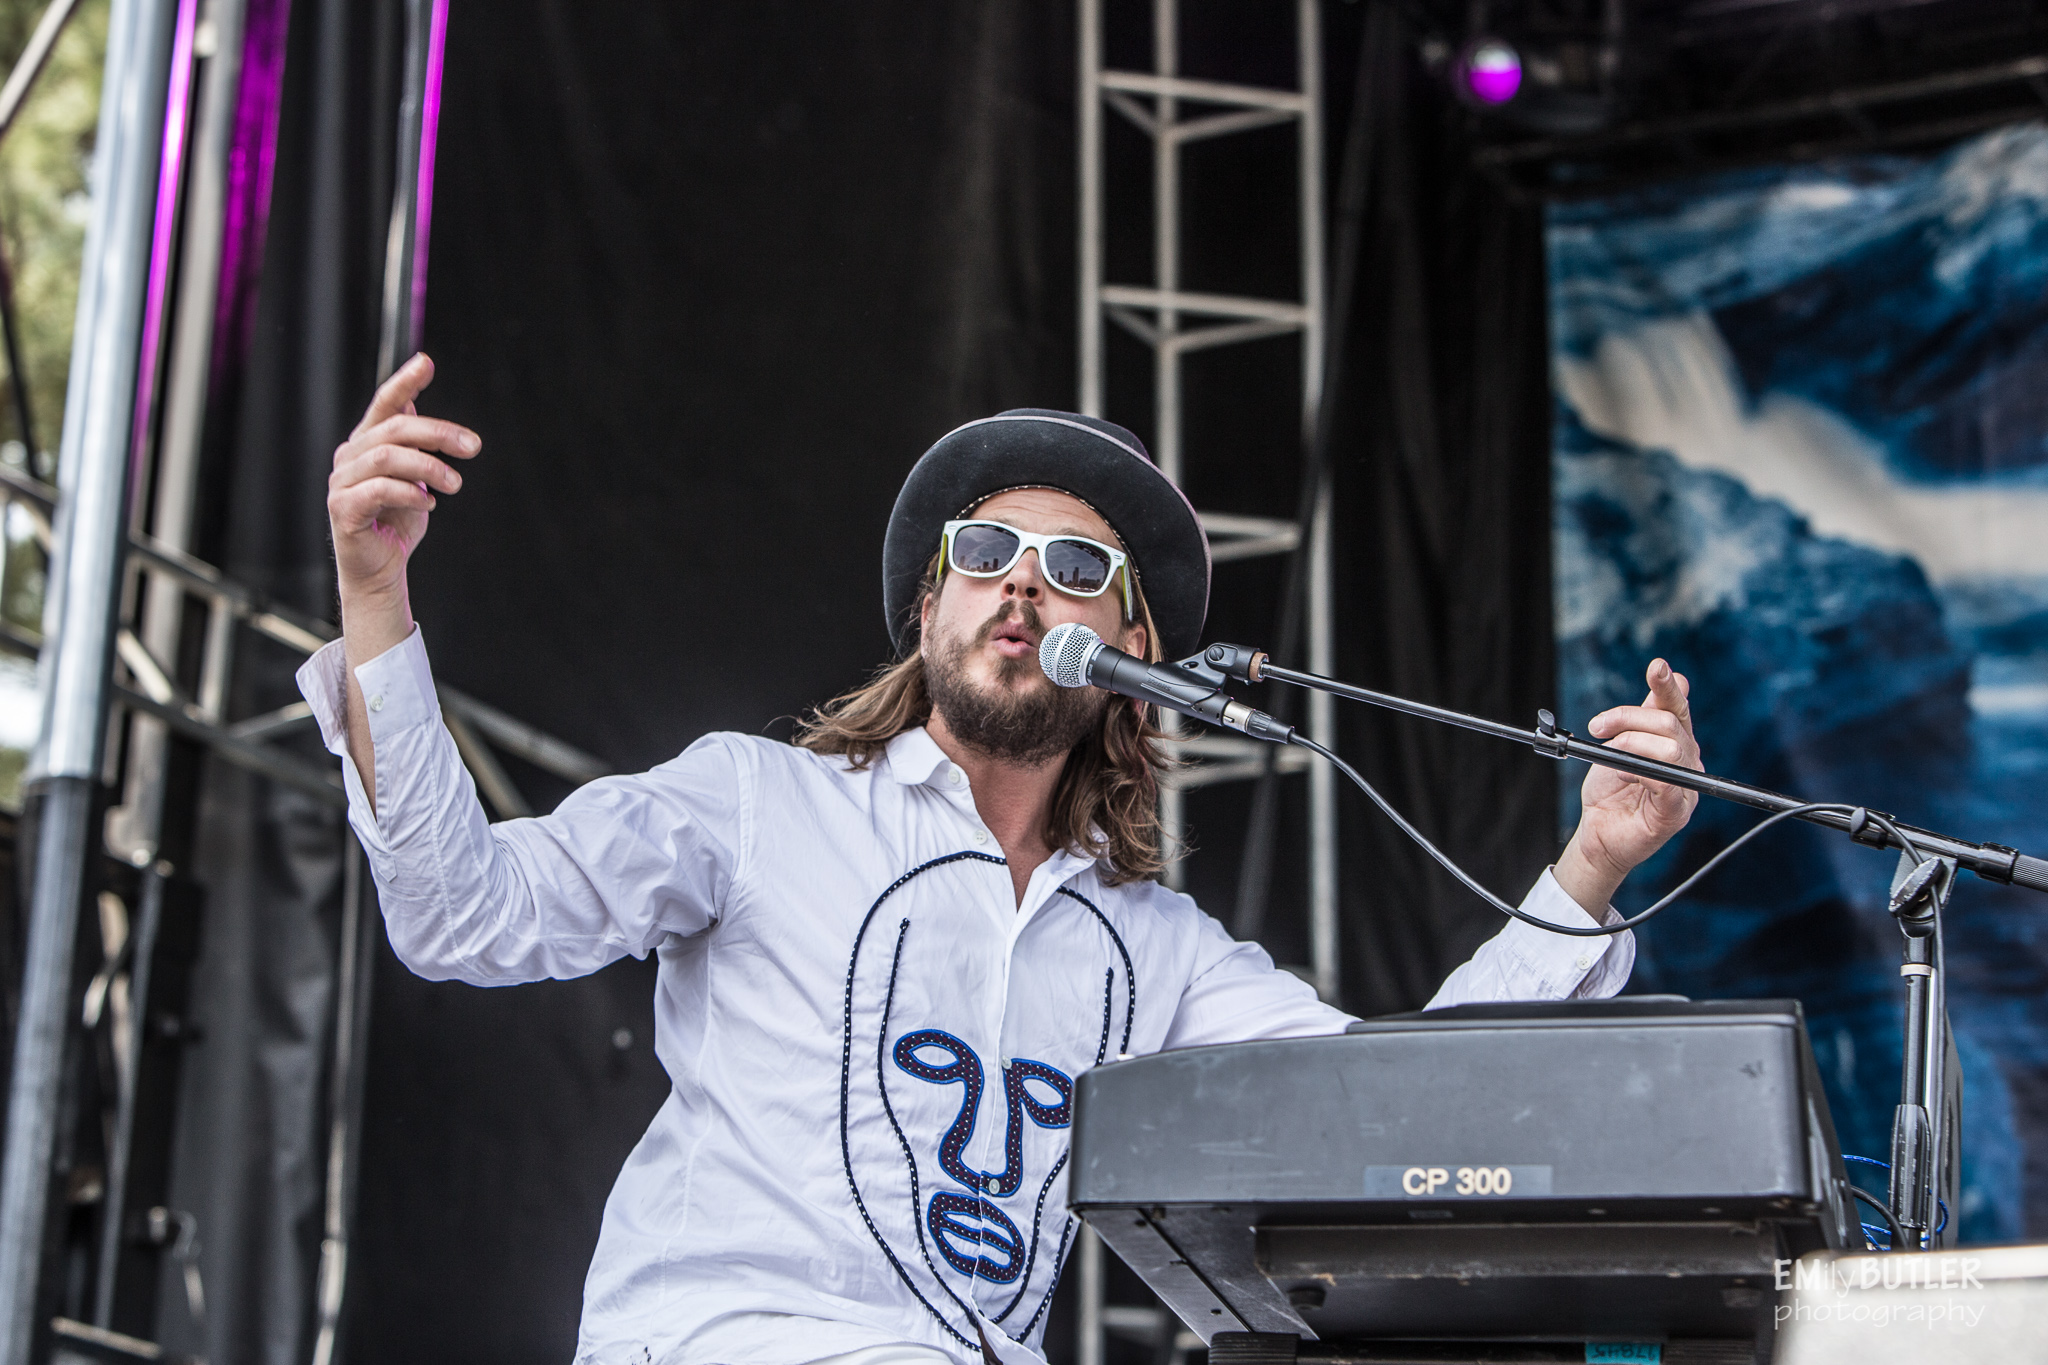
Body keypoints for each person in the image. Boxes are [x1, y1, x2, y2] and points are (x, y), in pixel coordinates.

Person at [305, 354, 1703, 1365]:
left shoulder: (1153, 953)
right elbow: (460, 915)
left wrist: (1589, 863)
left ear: (1134, 654)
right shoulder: (753, 802)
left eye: (1076, 568)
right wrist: (376, 596)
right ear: (931, 608)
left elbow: (1402, 1115)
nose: (1024, 582)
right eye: (986, 551)